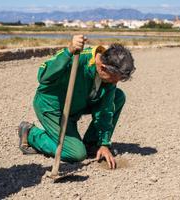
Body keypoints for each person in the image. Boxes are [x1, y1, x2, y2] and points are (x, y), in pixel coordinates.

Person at [18, 35, 135, 169]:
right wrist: (69, 51)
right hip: (53, 107)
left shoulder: (108, 77)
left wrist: (104, 143)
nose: (115, 82)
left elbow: (105, 110)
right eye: (114, 79)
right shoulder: (78, 58)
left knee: (117, 96)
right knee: (76, 154)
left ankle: (92, 144)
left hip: (78, 104)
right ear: (103, 67)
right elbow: (43, 76)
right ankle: (31, 133)